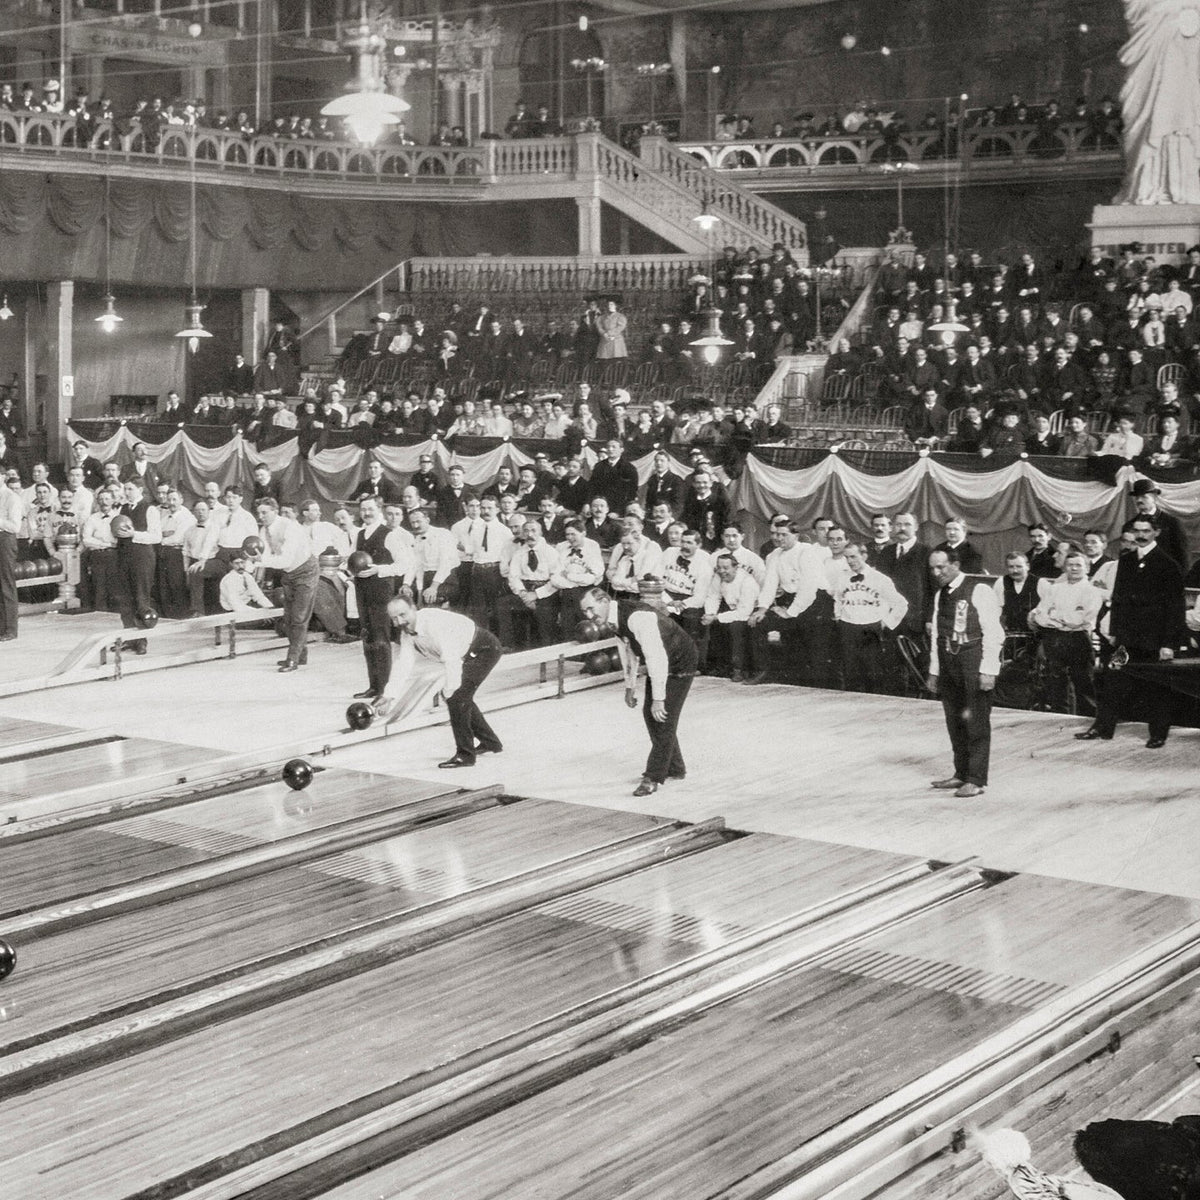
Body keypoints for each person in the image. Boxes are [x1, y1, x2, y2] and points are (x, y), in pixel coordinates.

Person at [580, 579, 698, 797]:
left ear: (604, 601)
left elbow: (656, 658)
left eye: (591, 608)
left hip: (680, 660)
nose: (589, 616)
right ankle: (676, 768)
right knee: (652, 715)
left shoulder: (637, 617)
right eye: (585, 611)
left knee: (662, 716)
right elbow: (628, 651)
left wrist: (659, 699)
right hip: (663, 661)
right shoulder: (614, 617)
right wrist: (629, 686)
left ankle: (653, 777)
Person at [1077, 514, 1187, 747]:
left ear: (1156, 532)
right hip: (1125, 639)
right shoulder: (1125, 561)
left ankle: (1158, 734)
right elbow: (1118, 600)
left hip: (1154, 641)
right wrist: (1115, 631)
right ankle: (1102, 728)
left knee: (1156, 687)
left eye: (1146, 531)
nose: (1141, 535)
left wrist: (1168, 644)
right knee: (1112, 681)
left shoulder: (1168, 565)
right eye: (1137, 530)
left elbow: (1175, 609)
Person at [386, 594, 503, 768]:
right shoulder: (407, 632)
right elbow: (404, 664)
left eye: (402, 615)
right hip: (464, 653)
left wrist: (450, 690)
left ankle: (466, 756)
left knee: (457, 696)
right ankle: (490, 743)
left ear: (414, 609)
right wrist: (389, 695)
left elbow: (451, 659)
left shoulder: (434, 623)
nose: (399, 622)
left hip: (484, 649)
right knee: (461, 696)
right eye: (394, 618)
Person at [926, 546, 1004, 798]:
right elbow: (938, 634)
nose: (937, 572)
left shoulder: (979, 589)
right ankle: (960, 773)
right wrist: (934, 671)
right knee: (955, 721)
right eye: (933, 568)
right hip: (949, 664)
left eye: (942, 567)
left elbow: (993, 632)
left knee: (976, 722)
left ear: (956, 564)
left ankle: (976, 779)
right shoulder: (940, 594)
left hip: (973, 662)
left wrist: (989, 670)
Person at [351, 496, 415, 705]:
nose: (366, 513)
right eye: (363, 509)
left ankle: (385, 689)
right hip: (362, 591)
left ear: (379, 510)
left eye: (370, 509)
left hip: (381, 592)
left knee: (381, 639)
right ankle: (373, 686)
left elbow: (404, 564)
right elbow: (353, 560)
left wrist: (379, 569)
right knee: (368, 637)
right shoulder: (359, 534)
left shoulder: (390, 535)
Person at [251, 497, 319, 672]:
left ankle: (292, 659)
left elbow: (284, 559)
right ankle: (301, 655)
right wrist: (251, 564)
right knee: (289, 618)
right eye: (258, 513)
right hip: (289, 573)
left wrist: (260, 561)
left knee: (299, 618)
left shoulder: (290, 527)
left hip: (306, 571)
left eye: (264, 512)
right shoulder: (263, 531)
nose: (261, 516)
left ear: (275, 511)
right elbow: (263, 557)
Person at [0, 476, 20, 640]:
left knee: (6, 583)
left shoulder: (11, 497)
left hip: (5, 540)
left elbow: (15, 526)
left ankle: (10, 629)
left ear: (3, 477)